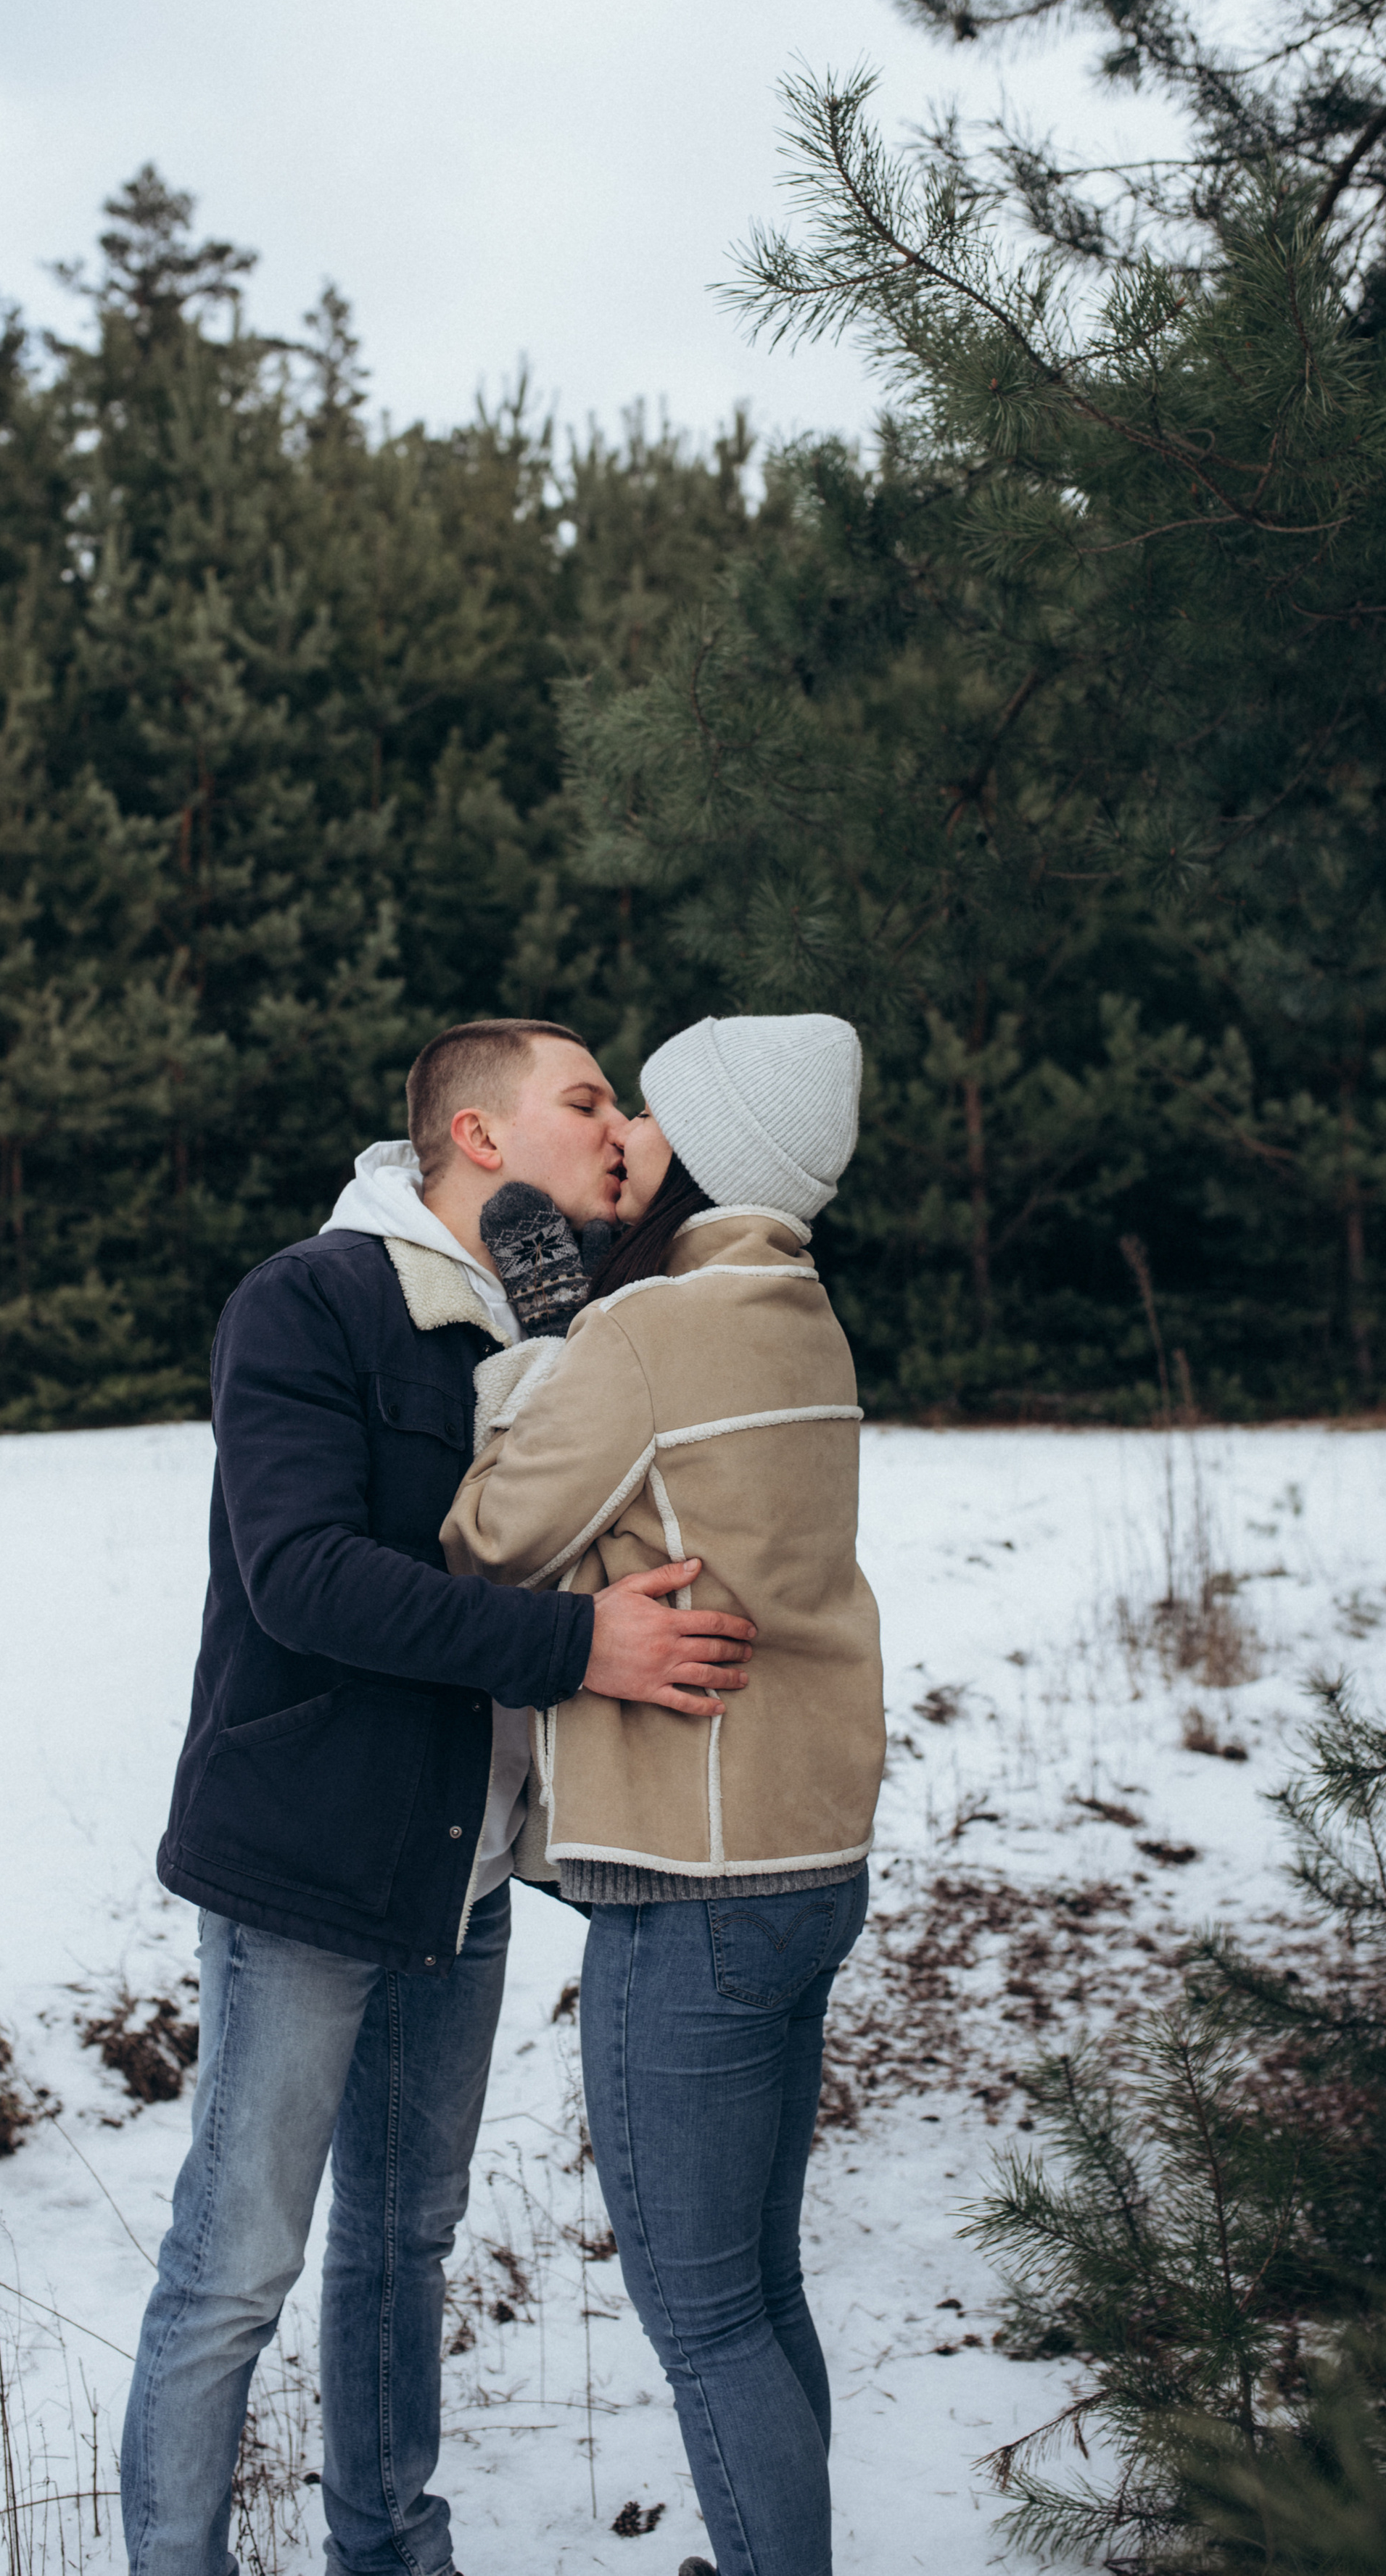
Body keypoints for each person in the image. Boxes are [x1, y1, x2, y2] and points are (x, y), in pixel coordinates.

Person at [120, 1016, 759, 2576]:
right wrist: (575, 1647)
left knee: (404, 2245)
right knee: (235, 2264)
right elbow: (305, 1579)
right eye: (584, 1098)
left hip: (454, 1873)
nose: (614, 1124)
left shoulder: (550, 1315)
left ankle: (392, 2552)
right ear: (477, 1137)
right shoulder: (312, 1301)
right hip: (308, 1865)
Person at [442, 1012, 884, 2576]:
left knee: (699, 2322)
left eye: (642, 1113)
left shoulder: (645, 1339)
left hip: (692, 1890)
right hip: (807, 1867)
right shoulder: (802, 1316)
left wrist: (547, 1344)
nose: (615, 1130)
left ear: (699, 1148)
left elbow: (488, 1539)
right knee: (759, 2293)